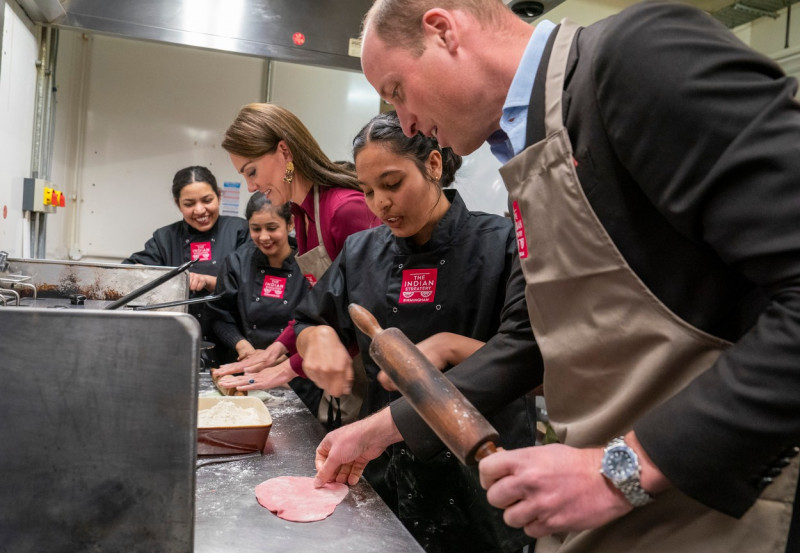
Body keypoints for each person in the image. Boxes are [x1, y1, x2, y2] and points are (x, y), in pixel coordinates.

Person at [313, 1, 800, 552]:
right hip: (617, 498)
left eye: (398, 91)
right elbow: (530, 341)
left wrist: (621, 470)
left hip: (721, 498)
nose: (406, 124)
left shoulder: (636, 57)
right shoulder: (532, 147)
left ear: (443, 29)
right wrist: (387, 427)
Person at [288, 110, 536, 553]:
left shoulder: (500, 244)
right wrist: (317, 339)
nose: (379, 203)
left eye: (392, 183)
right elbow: (310, 318)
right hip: (385, 467)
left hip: (484, 474)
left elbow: (531, 364)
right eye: (367, 191)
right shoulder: (362, 250)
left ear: (434, 166)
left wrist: (452, 348)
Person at [215, 103, 380, 425]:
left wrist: (289, 368)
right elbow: (317, 304)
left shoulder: (344, 209)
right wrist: (276, 349)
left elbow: (369, 311)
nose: (251, 187)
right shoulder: (304, 215)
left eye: (252, 171)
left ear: (284, 151)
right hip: (340, 374)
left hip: (372, 372)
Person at [205, 192, 322, 414]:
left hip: (296, 377)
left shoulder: (307, 263)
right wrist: (244, 347)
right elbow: (220, 316)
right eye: (256, 229)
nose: (264, 236)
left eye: (271, 227)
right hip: (247, 373)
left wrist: (282, 358)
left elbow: (314, 320)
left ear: (289, 224)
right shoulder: (237, 262)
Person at [123, 165, 249, 365]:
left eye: (207, 200)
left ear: (219, 195)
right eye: (189, 203)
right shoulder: (164, 238)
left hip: (234, 348)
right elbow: (131, 274)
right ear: (178, 204)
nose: (200, 210)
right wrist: (175, 281)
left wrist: (210, 281)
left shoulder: (239, 231)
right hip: (175, 346)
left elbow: (251, 286)